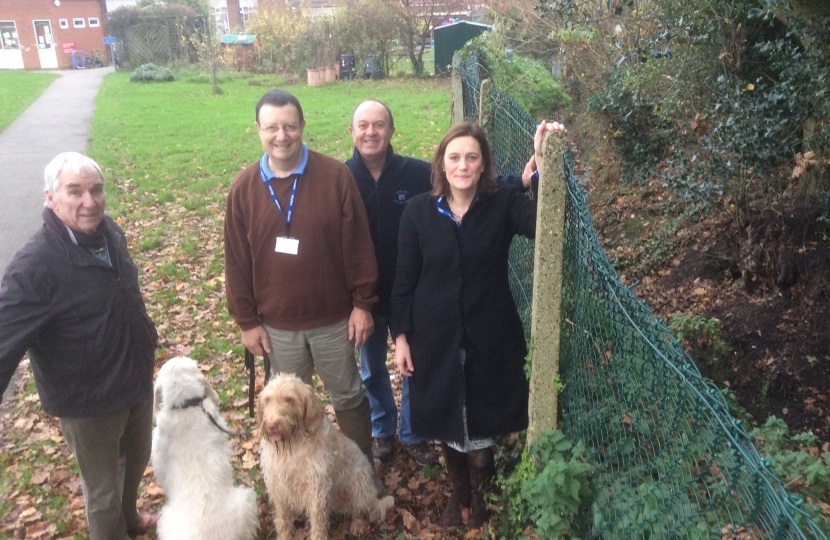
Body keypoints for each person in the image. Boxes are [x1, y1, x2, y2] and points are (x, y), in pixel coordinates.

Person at [391, 121, 566, 529]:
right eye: (454, 157)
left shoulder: (503, 202)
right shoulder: (418, 211)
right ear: (441, 163)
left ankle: (482, 481)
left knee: (483, 411)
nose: (463, 165)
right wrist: (400, 337)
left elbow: (543, 224)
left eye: (472, 157)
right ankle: (459, 489)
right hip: (433, 335)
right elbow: (403, 281)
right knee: (446, 410)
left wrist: (544, 164)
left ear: (483, 163)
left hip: (491, 331)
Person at [345, 100, 540, 465]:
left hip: (416, 291)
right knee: (373, 369)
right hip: (366, 294)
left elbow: (469, 183)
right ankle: (383, 430)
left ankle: (412, 433)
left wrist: (527, 180)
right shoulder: (342, 178)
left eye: (379, 124)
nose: (371, 132)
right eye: (363, 125)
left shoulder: (414, 174)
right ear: (351, 132)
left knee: (418, 369)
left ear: (391, 130)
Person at [0, 152, 159, 539]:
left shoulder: (110, 233)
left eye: (96, 190)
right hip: (89, 401)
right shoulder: (35, 265)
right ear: (51, 198)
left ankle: (130, 517)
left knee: (135, 463)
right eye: (75, 192)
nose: (90, 202)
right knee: (102, 492)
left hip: (134, 380)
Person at [224, 89, 379, 469]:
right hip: (277, 326)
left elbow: (358, 243)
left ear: (303, 127)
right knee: (285, 410)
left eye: (290, 126)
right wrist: (247, 321)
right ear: (258, 129)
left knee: (348, 397)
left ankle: (360, 475)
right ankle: (296, 478)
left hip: (333, 321)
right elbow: (236, 261)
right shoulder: (243, 188)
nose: (282, 135)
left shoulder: (334, 176)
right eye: (272, 127)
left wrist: (362, 304)